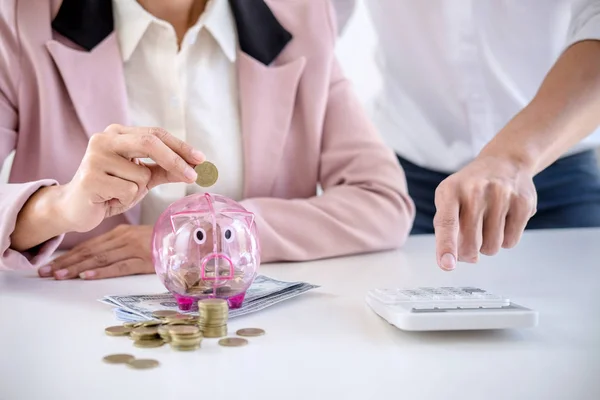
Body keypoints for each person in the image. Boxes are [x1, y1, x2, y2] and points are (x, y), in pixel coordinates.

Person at [0, 0, 415, 278]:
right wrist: (59, 206)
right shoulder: (19, 18)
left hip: (263, 335)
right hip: (73, 329)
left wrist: (205, 238)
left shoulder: (299, 13)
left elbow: (383, 201)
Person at [333, 0, 600, 271]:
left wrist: (511, 158)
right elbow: (308, 24)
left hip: (559, 180)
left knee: (577, 307)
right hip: (406, 181)